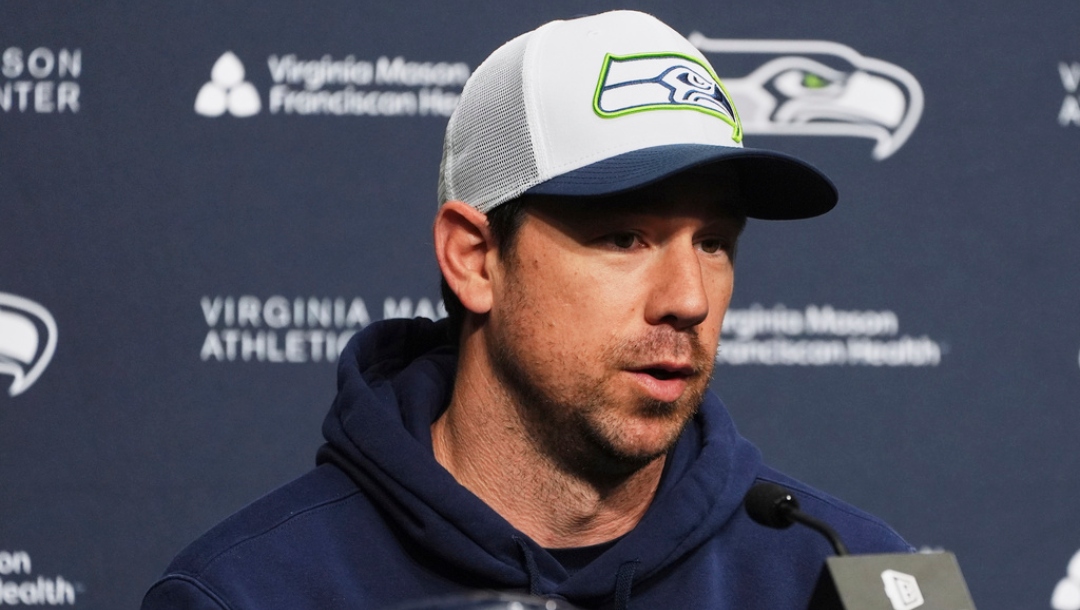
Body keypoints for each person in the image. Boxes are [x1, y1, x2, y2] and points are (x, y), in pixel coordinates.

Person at [142, 10, 911, 610]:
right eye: (624, 237)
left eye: (714, 243)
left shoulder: (841, 575)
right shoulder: (251, 593)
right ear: (475, 259)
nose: (687, 299)